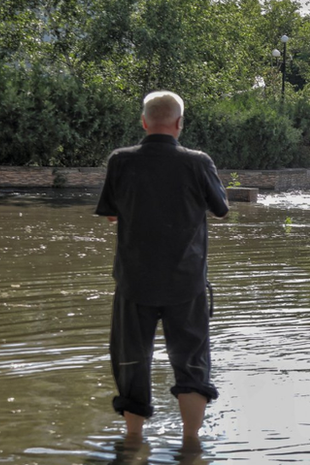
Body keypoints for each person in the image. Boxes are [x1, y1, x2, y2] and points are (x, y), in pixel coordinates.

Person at [95, 91, 229, 448]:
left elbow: (110, 213)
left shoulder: (120, 161)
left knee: (131, 361)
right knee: (192, 363)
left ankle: (133, 440)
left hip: (133, 282)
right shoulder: (198, 162)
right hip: (185, 284)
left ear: (144, 122)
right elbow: (221, 209)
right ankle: (190, 444)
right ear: (179, 123)